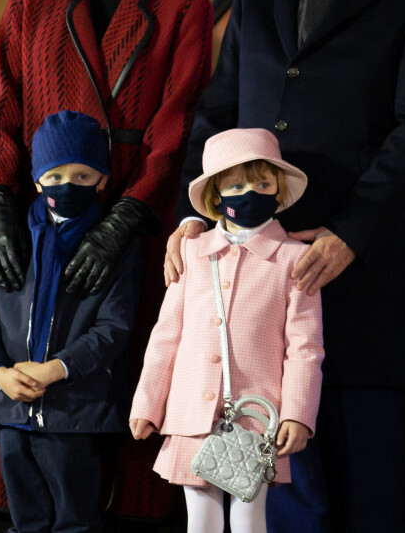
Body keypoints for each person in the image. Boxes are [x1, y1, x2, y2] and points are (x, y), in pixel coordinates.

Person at [164, 0, 405, 532]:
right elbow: (217, 112)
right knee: (261, 474)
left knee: (365, 464)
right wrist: (192, 212)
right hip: (252, 284)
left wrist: (351, 233)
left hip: (359, 271)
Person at [0, 0, 213, 303]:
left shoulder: (182, 4)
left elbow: (179, 123)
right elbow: (3, 112)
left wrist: (122, 223)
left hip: (137, 213)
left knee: (131, 350)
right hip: (45, 215)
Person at [130, 128, 324, 533]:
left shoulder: (295, 258)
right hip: (191, 412)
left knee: (250, 517)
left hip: (257, 413)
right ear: (217, 196)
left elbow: (305, 348)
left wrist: (298, 414)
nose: (249, 192)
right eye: (235, 184)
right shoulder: (192, 252)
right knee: (199, 518)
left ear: (278, 188)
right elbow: (167, 334)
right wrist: (147, 402)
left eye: (262, 182)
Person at [0, 110, 140, 533]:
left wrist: (58, 368)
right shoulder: (12, 239)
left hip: (75, 413)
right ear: (38, 179)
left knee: (75, 519)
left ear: (102, 180)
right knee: (24, 518)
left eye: (84, 176)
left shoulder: (115, 246)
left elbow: (113, 327)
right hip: (9, 407)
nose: (69, 185)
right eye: (56, 175)